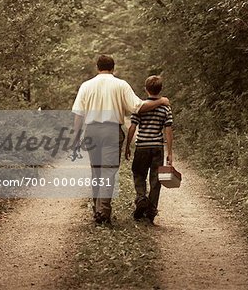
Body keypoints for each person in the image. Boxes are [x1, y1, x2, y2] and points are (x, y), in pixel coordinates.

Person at [72, 55, 170, 224]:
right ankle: (104, 211)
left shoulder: (86, 86)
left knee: (96, 172)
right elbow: (138, 107)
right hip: (111, 132)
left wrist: (74, 139)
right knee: (108, 172)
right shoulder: (121, 85)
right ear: (113, 68)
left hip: (92, 131)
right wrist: (161, 101)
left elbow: (78, 114)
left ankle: (98, 210)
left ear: (97, 67)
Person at [125, 75, 173, 223]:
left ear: (146, 89)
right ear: (160, 90)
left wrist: (127, 146)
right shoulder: (165, 108)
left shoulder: (141, 107)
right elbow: (168, 131)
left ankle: (141, 198)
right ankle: (151, 212)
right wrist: (169, 152)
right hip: (157, 147)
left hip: (142, 147)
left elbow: (132, 127)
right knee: (155, 179)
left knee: (139, 174)